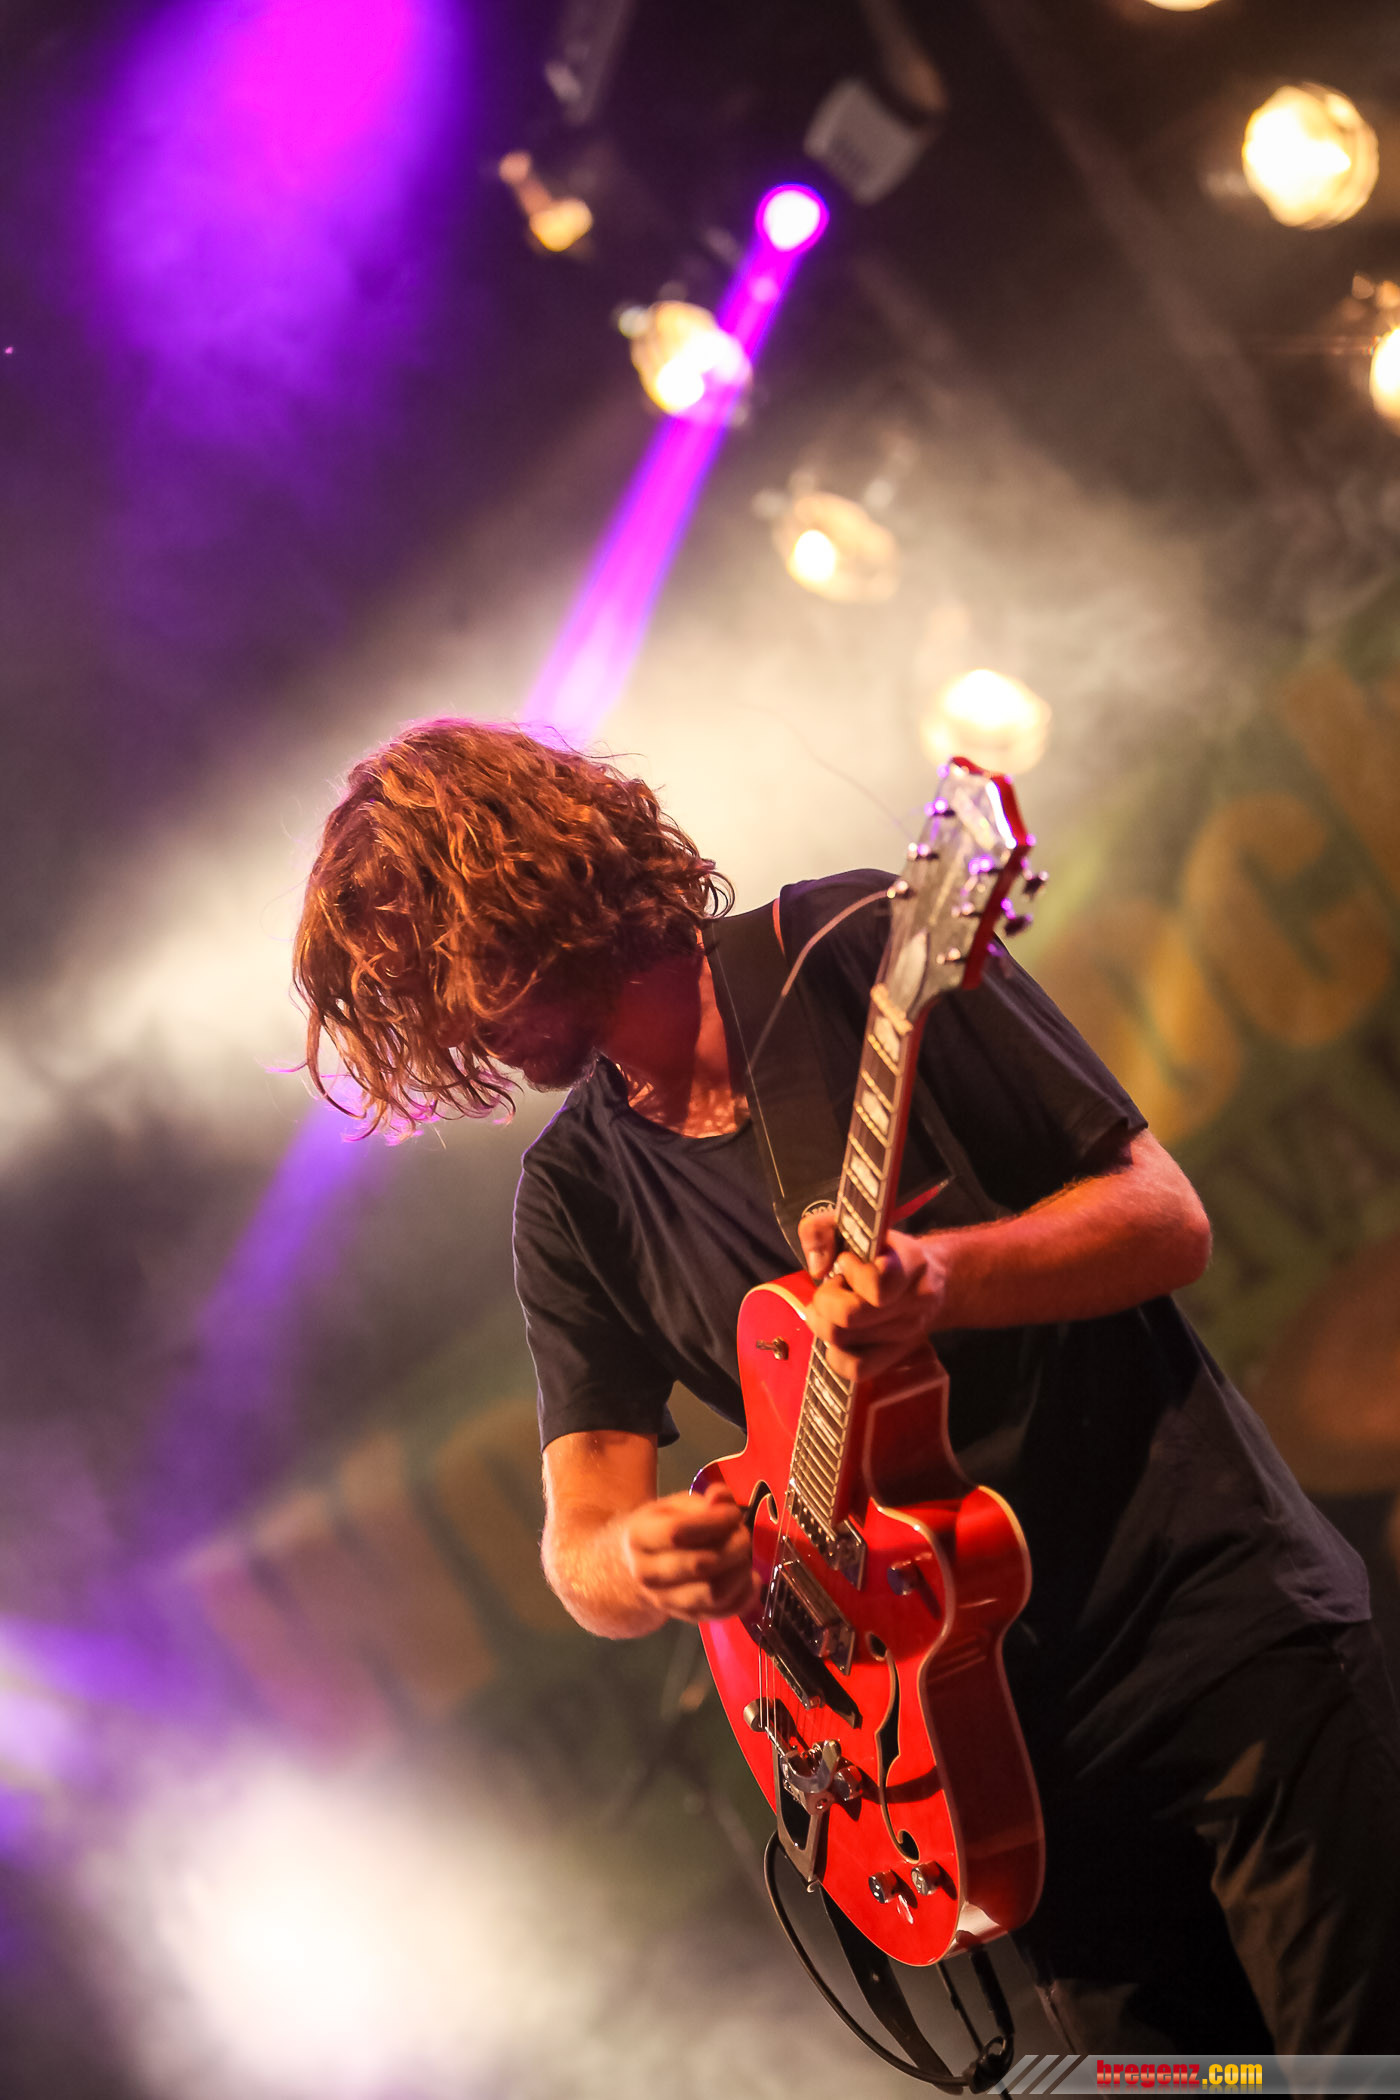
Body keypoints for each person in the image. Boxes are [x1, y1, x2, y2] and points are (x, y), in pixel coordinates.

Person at [294, 717, 1400, 2057]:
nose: (452, 1035)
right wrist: (645, 1559)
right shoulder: (573, 1197)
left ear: (517, 897)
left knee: (1357, 2068)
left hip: (1214, 1630)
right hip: (978, 1752)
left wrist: (945, 1277)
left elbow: (1165, 1221)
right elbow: (582, 1545)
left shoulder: (858, 954)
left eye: (442, 982)